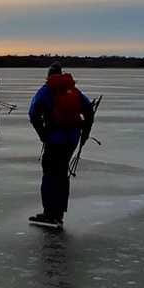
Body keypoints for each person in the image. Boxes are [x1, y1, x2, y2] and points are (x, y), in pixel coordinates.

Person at [27, 63, 95, 229]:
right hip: (72, 139)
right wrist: (84, 135)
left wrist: (42, 134)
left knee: (50, 173)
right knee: (62, 173)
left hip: (55, 139)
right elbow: (88, 111)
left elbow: (33, 112)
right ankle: (59, 213)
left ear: (49, 75)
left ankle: (49, 213)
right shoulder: (74, 91)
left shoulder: (46, 90)